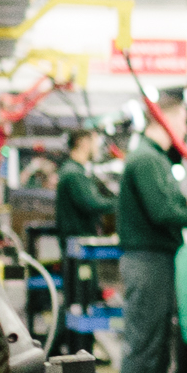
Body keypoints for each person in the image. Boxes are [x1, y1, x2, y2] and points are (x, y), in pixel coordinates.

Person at [115, 116, 187, 373]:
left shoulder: (152, 158)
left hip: (154, 260)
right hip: (147, 261)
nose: (185, 128)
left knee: (155, 339)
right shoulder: (148, 160)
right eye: (182, 120)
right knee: (145, 339)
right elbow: (162, 210)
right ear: (165, 119)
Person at [53, 130, 116, 304]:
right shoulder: (74, 174)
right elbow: (91, 203)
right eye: (95, 142)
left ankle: (79, 330)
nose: (97, 147)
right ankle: (78, 331)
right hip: (78, 247)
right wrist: (120, 203)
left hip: (79, 247)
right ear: (83, 142)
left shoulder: (76, 171)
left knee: (82, 296)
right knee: (81, 297)